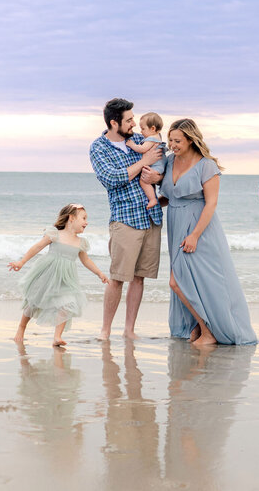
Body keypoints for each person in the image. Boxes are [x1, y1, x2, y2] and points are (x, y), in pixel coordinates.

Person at [157, 118, 257, 346]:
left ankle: (208, 332)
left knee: (179, 281)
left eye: (178, 141)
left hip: (199, 228)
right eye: (170, 140)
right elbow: (172, 195)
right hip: (175, 223)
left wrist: (194, 235)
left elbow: (211, 204)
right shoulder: (170, 162)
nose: (172, 145)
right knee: (189, 280)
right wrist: (153, 202)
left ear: (191, 140)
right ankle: (196, 328)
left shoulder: (206, 165)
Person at [89, 98, 165, 340]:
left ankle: (129, 330)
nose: (134, 123)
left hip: (151, 216)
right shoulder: (99, 148)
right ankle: (105, 330)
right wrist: (144, 162)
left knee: (140, 277)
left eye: (134, 118)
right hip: (125, 218)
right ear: (114, 123)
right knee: (118, 277)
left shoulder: (143, 139)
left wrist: (156, 176)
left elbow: (161, 169)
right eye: (129, 120)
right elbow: (112, 179)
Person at [9, 203, 109, 346]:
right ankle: (21, 328)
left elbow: (86, 260)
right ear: (71, 218)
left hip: (66, 279)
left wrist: (99, 273)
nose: (87, 222)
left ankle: (57, 336)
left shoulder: (81, 242)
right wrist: (21, 262)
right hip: (47, 273)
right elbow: (37, 247)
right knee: (34, 302)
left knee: (68, 304)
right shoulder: (54, 234)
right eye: (84, 218)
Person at [126, 112, 167, 209]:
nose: (141, 131)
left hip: (157, 165)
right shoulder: (158, 137)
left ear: (152, 128)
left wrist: (132, 145)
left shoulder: (151, 138)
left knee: (144, 181)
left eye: (143, 129)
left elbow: (142, 149)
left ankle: (152, 199)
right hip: (160, 164)